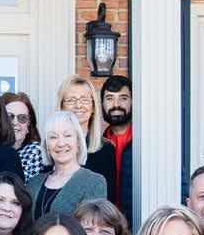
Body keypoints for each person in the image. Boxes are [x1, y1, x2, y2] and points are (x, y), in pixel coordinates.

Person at [29, 110, 107, 220]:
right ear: (46, 145)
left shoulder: (94, 182)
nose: (61, 143)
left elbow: (92, 228)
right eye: (53, 137)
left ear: (78, 141)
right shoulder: (34, 183)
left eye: (67, 135)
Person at [85, 73, 133, 222]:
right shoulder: (96, 147)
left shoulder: (144, 144)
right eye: (110, 98)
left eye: (123, 98)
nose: (116, 104)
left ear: (133, 102)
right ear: (102, 104)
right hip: (105, 223)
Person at [56, 75, 105, 161]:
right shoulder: (52, 146)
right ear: (61, 107)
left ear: (93, 107)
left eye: (84, 100)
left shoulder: (106, 148)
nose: (78, 105)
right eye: (71, 100)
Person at [1, 91, 46, 183]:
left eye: (22, 118)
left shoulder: (36, 153)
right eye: (9, 117)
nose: (15, 122)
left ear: (28, 124)